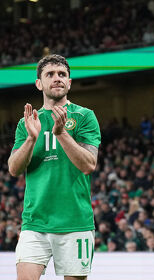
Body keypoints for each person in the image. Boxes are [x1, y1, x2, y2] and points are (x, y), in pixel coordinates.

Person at [8, 54, 101, 280]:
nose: (57, 78)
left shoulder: (85, 116)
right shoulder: (27, 122)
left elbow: (89, 164)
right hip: (35, 221)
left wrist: (61, 135)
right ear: (39, 83)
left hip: (75, 221)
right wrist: (31, 138)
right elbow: (14, 169)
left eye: (62, 74)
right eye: (50, 74)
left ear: (69, 82)